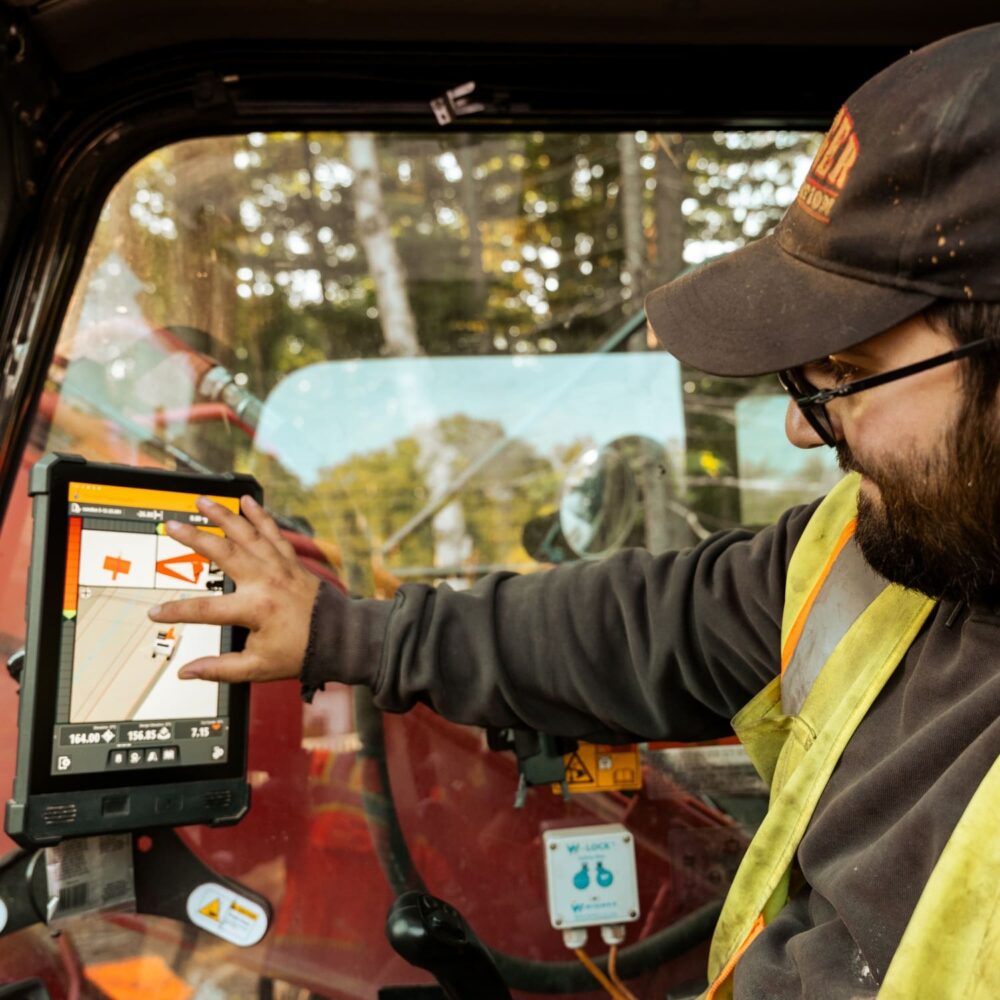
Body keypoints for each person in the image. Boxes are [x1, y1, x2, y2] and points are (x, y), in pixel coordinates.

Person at [149, 24, 1000, 1000]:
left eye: (846, 372)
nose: (803, 432)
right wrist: (347, 633)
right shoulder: (891, 553)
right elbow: (650, 625)